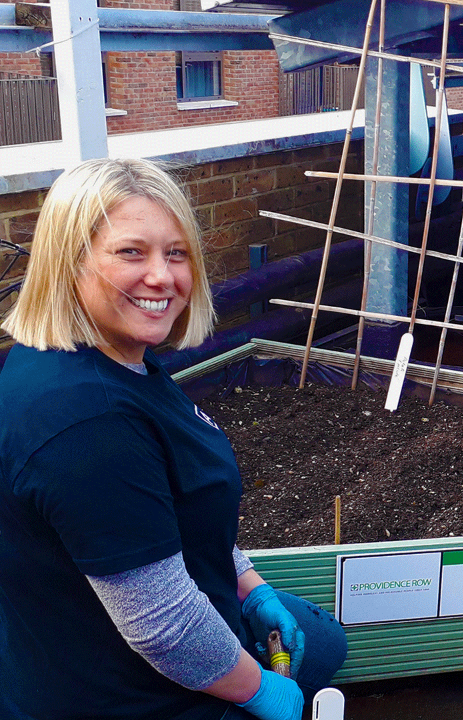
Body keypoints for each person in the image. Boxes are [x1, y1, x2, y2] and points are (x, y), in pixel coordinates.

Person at [0, 158, 347, 719]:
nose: (162, 277)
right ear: (69, 263)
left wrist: (249, 587)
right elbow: (165, 629)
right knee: (312, 664)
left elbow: (183, 505)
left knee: (323, 641)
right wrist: (260, 689)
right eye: (131, 252)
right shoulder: (87, 422)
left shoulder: (117, 359)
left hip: (96, 635)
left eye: (177, 252)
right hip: (120, 690)